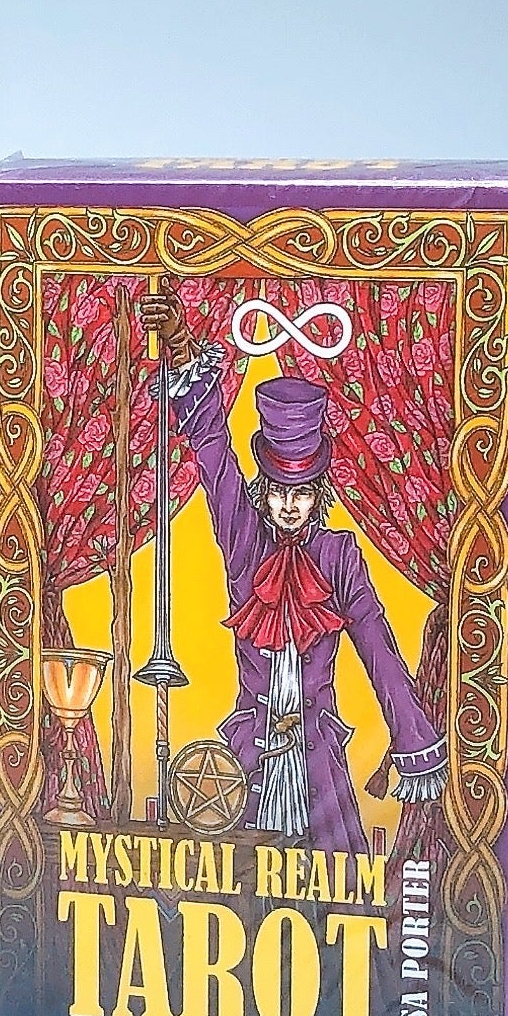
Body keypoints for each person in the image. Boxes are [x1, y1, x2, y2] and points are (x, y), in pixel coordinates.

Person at [137, 284, 445, 856]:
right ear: (265, 489)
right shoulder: (245, 540)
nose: (288, 506)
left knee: (335, 880)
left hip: (317, 763)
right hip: (246, 763)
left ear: (319, 492)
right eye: (279, 491)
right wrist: (180, 347)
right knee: (235, 880)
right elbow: (214, 453)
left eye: (301, 493)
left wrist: (412, 737)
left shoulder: (338, 556)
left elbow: (377, 646)